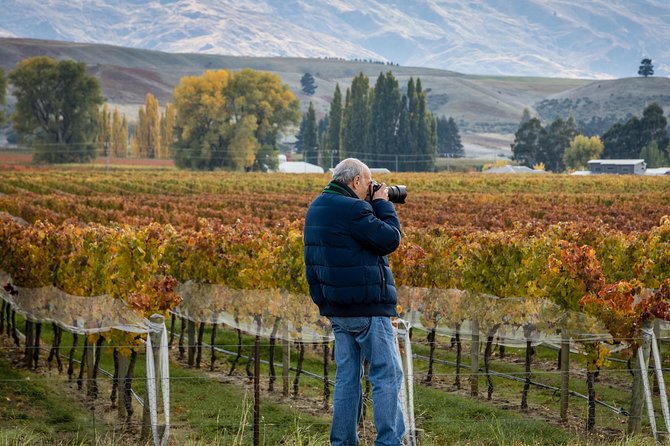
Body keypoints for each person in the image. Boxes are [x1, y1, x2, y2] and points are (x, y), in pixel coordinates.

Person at [304, 158, 405, 446]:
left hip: (337, 309)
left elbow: (312, 259)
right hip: (368, 307)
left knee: (348, 378)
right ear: (357, 181)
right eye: (369, 183)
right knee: (387, 374)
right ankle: (388, 442)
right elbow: (390, 239)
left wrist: (323, 302)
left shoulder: (318, 207)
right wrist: (384, 204)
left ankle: (343, 442)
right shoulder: (353, 209)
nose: (371, 189)